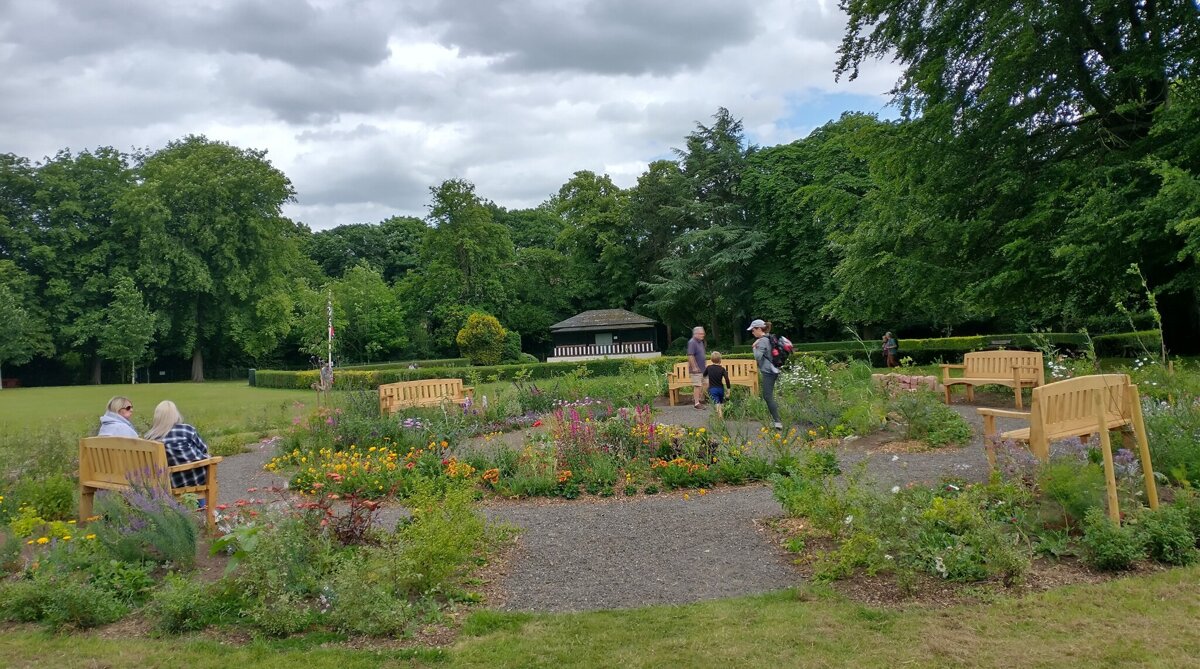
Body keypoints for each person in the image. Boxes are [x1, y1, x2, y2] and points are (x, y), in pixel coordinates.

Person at [143, 401, 211, 488]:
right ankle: (201, 501)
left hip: (165, 483)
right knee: (209, 462)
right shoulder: (186, 430)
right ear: (175, 414)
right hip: (193, 479)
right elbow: (203, 448)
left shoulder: (149, 437)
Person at [749, 319, 783, 429]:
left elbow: (757, 357)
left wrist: (754, 347)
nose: (752, 332)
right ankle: (776, 420)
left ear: (759, 329)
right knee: (768, 395)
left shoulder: (762, 341)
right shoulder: (769, 337)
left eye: (753, 330)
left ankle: (777, 422)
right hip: (774, 369)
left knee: (767, 396)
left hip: (769, 371)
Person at [703, 351, 732, 419]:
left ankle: (720, 417)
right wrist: (728, 390)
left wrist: (706, 381)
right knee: (721, 403)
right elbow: (727, 379)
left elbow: (704, 375)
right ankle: (720, 417)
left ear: (711, 360)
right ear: (720, 360)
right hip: (720, 389)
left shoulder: (709, 367)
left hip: (712, 389)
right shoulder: (722, 369)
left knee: (717, 403)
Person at [687, 326, 707, 409]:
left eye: (703, 333)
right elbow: (690, 355)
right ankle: (696, 403)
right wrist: (694, 367)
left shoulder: (700, 342)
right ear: (696, 334)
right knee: (697, 385)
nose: (703, 335)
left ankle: (698, 398)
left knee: (707, 383)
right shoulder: (692, 342)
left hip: (703, 369)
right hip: (696, 370)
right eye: (701, 334)